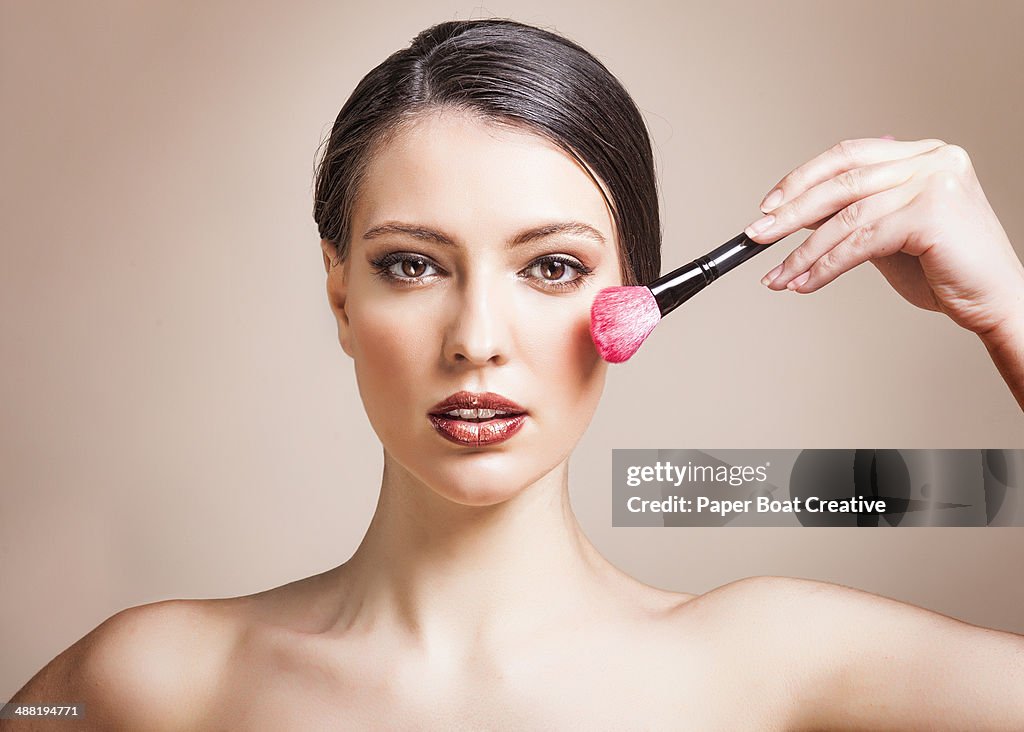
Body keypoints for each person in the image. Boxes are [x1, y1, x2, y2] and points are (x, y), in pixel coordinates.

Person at [5, 17, 1023, 731]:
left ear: (637, 297)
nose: (476, 337)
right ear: (339, 294)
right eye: (412, 265)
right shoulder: (149, 681)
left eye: (552, 268)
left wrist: (1007, 311)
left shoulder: (777, 664)